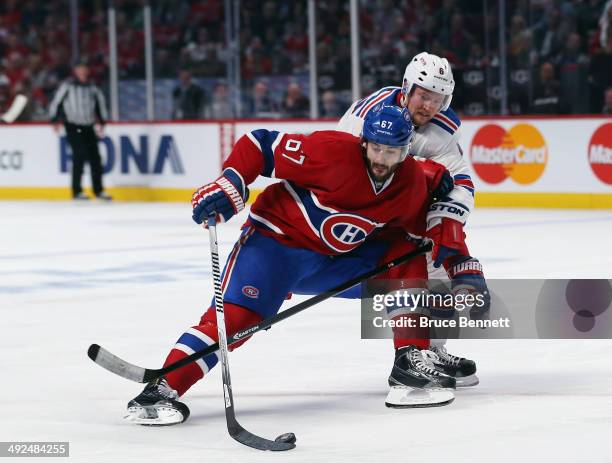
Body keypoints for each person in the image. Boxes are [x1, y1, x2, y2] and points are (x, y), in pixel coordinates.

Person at [124, 104, 473, 426]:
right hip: (277, 248)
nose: (382, 159)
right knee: (237, 318)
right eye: (377, 148)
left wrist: (461, 262)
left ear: (407, 149)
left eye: (393, 151)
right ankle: (161, 389)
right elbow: (259, 145)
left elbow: (428, 234)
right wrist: (231, 183)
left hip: (334, 264)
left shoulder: (409, 182)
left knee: (407, 252)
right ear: (364, 141)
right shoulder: (331, 151)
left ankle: (408, 361)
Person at [338, 52, 488, 386]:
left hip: (398, 218)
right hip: (353, 220)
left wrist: (454, 246)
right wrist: (422, 171)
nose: (429, 106)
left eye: (438, 98)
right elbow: (349, 175)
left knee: (436, 259)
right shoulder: (369, 115)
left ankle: (429, 352)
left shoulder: (444, 129)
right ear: (407, 87)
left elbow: (458, 182)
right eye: (423, 95)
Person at [49, 61, 111, 200]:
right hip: (72, 124)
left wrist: (102, 121)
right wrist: (55, 120)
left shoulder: (92, 87)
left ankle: (98, 190)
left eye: (84, 69)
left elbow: (100, 104)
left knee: (95, 158)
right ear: (75, 71)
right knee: (79, 154)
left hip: (88, 125)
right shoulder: (68, 86)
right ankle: (77, 190)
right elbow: (56, 102)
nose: (82, 72)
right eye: (79, 69)